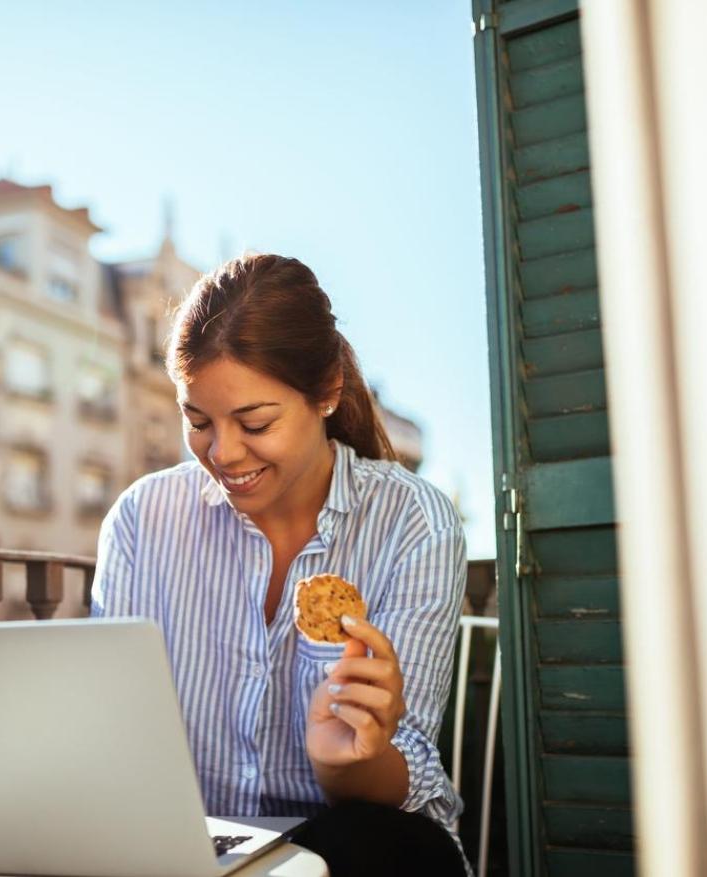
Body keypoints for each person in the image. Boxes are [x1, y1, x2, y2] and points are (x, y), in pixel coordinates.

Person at [91, 253, 472, 876]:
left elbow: (403, 774)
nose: (223, 451)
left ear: (326, 395)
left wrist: (344, 758)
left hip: (355, 840)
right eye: (197, 422)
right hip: (189, 846)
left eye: (255, 422)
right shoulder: (142, 517)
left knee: (376, 844)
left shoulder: (412, 519)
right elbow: (113, 729)